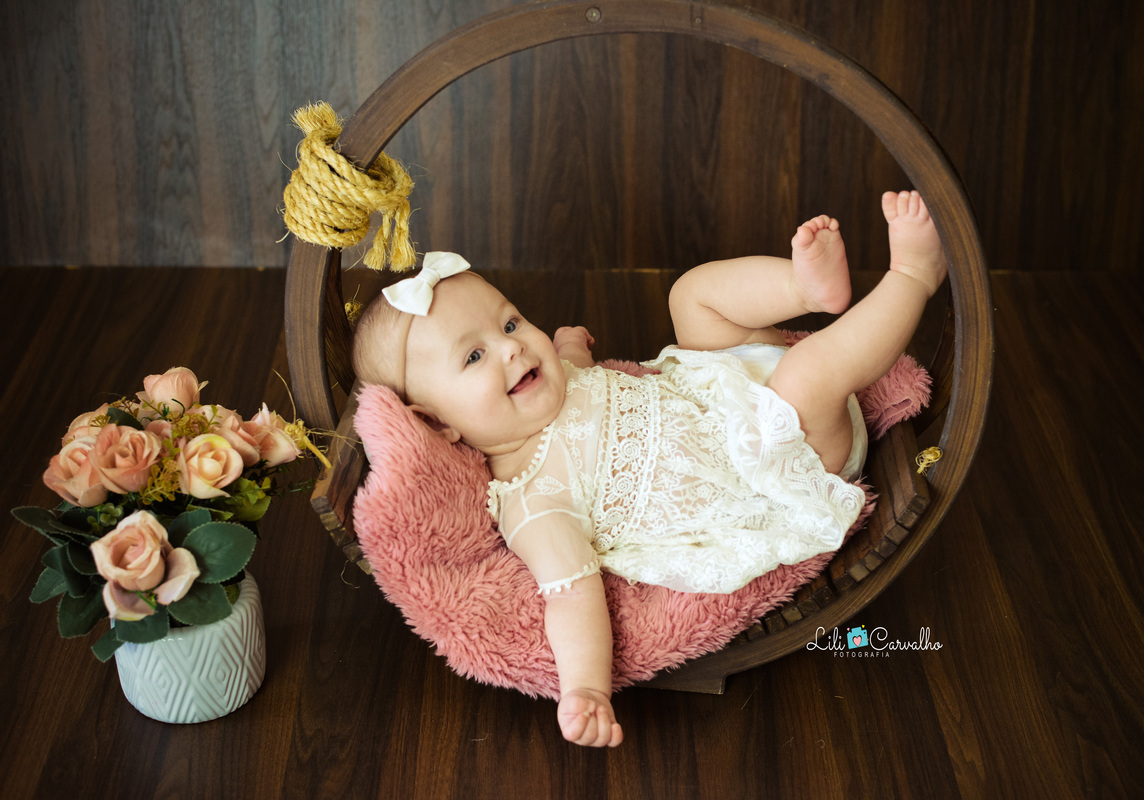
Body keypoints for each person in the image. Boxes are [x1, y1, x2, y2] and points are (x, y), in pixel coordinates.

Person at [352, 190, 947, 748]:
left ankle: (806, 286)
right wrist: (586, 688)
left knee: (691, 297)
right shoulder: (533, 502)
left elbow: (574, 366)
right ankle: (914, 276)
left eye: (509, 324)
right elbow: (572, 596)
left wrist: (569, 346)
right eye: (475, 356)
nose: (512, 347)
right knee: (807, 375)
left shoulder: (550, 381)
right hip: (776, 463)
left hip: (722, 388)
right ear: (438, 424)